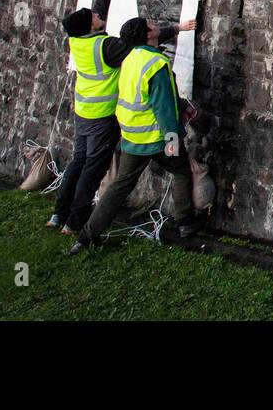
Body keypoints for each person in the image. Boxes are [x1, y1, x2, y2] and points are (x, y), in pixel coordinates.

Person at [48, 0, 195, 235]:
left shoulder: (81, 42)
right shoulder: (115, 51)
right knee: (94, 168)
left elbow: (98, 19)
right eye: (94, 16)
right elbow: (164, 106)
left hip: (101, 122)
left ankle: (69, 221)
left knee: (89, 169)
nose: (97, 15)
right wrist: (176, 28)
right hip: (109, 119)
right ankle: (75, 221)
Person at [68, 16, 204, 254]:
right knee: (181, 171)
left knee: (119, 187)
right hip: (156, 137)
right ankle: (185, 225)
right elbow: (164, 108)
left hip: (131, 136)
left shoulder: (129, 58)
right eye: (151, 26)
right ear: (147, 35)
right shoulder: (156, 64)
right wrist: (173, 140)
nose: (156, 27)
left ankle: (86, 236)